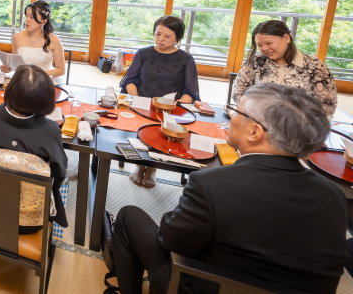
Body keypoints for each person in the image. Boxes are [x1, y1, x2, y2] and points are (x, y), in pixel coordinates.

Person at [112, 83, 347, 294]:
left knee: (128, 216)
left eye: (236, 111)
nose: (230, 117)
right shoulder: (333, 195)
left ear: (254, 131)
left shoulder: (212, 184)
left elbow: (171, 240)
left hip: (206, 286)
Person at [0, 64, 68, 230]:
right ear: (46, 98)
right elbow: (59, 174)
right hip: (31, 222)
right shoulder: (50, 130)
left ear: (10, 90)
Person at [119, 15, 200, 189]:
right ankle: (140, 164)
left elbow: (190, 93)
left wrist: (173, 106)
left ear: (177, 38)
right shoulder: (143, 53)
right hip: (141, 103)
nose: (160, 39)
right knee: (138, 124)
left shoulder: (186, 59)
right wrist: (138, 101)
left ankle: (152, 168)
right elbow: (130, 81)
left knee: (164, 128)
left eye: (167, 36)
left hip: (170, 108)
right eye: (158, 34)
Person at [233, 19, 337, 118]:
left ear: (286, 38)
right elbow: (238, 94)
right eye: (260, 45)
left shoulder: (314, 65)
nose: (264, 48)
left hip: (299, 125)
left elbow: (328, 105)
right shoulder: (255, 63)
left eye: (268, 43)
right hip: (259, 121)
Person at [0, 0, 65, 85]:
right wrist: (7, 68)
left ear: (43, 21)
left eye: (32, 17)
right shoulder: (17, 37)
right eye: (26, 16)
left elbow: (61, 70)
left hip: (46, 82)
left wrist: (36, 75)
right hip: (24, 82)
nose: (27, 20)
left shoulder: (54, 40)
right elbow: (16, 65)